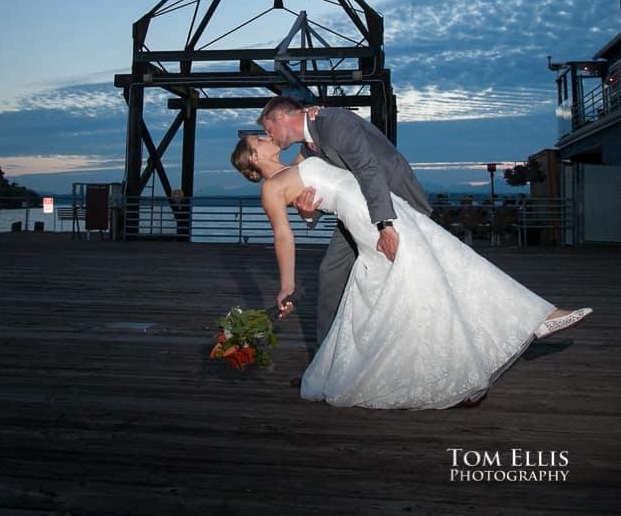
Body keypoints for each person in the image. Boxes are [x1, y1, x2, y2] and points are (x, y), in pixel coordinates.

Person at [230, 135, 592, 410]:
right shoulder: (271, 188)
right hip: (370, 224)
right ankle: (537, 318)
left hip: (386, 208)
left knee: (446, 267)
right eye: (258, 140)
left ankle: (510, 332)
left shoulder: (298, 160)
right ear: (254, 158)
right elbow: (283, 237)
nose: (265, 137)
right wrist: (287, 286)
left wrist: (310, 209)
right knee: (452, 265)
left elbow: (320, 194)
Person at [258, 96, 432, 344]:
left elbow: (367, 169)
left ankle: (410, 337)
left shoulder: (333, 122)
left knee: (407, 270)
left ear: (281, 117)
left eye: (268, 130)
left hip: (391, 197)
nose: (269, 136)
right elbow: (320, 185)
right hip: (355, 211)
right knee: (331, 272)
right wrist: (308, 213)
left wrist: (385, 225)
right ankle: (327, 358)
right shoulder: (308, 147)